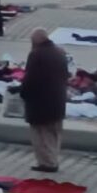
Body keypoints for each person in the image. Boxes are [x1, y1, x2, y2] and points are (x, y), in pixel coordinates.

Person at [21, 28, 69, 173]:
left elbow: (30, 79)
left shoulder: (36, 55)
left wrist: (23, 93)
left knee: (41, 135)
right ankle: (53, 159)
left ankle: (48, 163)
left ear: (35, 41)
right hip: (58, 100)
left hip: (40, 102)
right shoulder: (59, 53)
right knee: (54, 133)